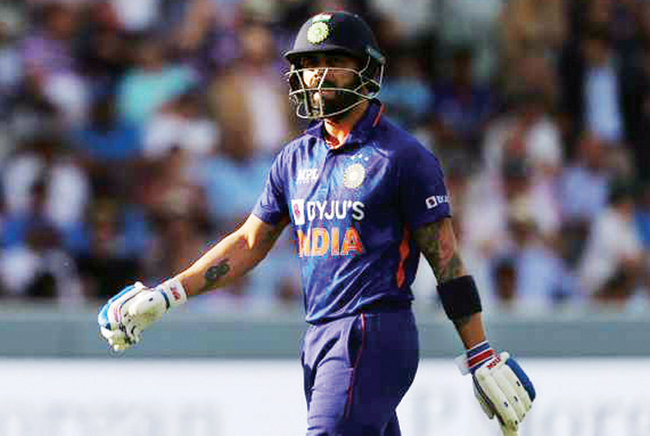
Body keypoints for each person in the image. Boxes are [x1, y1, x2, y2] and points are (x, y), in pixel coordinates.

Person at [98, 12, 535, 436]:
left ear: (366, 70)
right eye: (308, 63)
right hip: (319, 335)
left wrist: (479, 352)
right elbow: (249, 242)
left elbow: (447, 263)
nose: (318, 74)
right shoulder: (294, 158)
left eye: (334, 61)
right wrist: (170, 292)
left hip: (372, 330)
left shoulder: (403, 157)